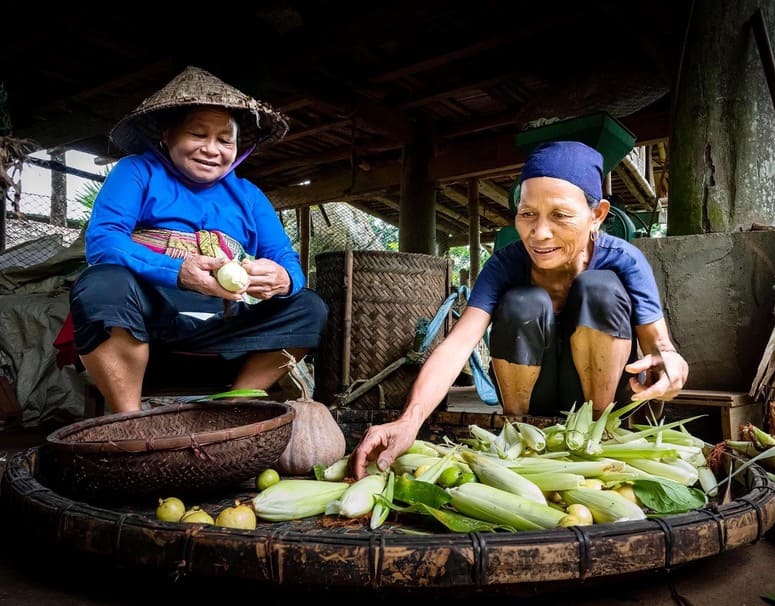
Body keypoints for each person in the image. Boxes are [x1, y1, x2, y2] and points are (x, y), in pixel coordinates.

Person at [351, 140, 688, 478]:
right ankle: (518, 433)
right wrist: (409, 420)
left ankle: (598, 437)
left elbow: (660, 346)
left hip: (600, 400)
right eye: (527, 214)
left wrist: (671, 364)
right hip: (530, 398)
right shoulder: (505, 264)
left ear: (596, 215)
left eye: (560, 215)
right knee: (522, 301)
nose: (539, 234)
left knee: (600, 289)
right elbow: (457, 346)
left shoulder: (625, 259)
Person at [67, 66, 328, 413]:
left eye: (224, 140)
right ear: (167, 135)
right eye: (197, 134)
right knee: (101, 285)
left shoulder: (248, 195)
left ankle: (235, 404)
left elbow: (285, 258)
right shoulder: (137, 171)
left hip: (225, 336)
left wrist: (283, 279)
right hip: (145, 328)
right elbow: (104, 241)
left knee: (309, 307)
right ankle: (127, 416)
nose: (211, 149)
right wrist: (178, 271)